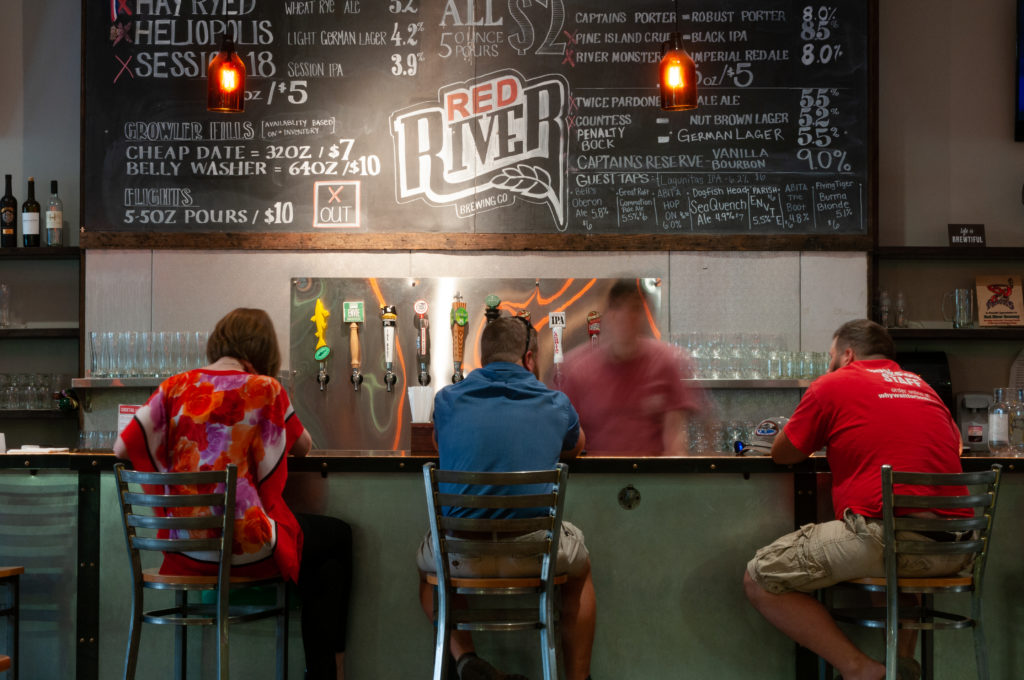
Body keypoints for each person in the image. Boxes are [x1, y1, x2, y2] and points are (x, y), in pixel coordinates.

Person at [114, 308, 352, 680]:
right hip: (243, 549)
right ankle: (329, 672)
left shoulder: (175, 387)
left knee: (325, 570)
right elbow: (303, 447)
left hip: (182, 549)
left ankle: (325, 672)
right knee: (338, 538)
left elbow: (121, 449)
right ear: (263, 350)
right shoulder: (265, 388)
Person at [742, 319, 972, 680]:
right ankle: (899, 669)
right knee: (895, 580)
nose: (828, 367)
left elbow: (783, 454)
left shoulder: (833, 384)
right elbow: (954, 445)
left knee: (759, 578)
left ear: (847, 355)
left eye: (831, 358)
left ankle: (859, 669)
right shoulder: (924, 388)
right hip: (952, 551)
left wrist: (817, 427)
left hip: (884, 540)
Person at [415, 315, 597, 680]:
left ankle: (466, 660)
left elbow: (438, 443)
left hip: (459, 555)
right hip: (534, 556)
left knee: (428, 573)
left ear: (482, 359)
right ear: (529, 358)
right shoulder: (555, 402)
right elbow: (577, 446)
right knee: (580, 571)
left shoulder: (447, 400)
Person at [560, 278, 702, 455]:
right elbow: (565, 437)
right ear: (608, 315)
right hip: (596, 479)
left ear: (644, 315)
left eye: (634, 309)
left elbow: (675, 437)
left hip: (651, 478)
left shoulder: (665, 363)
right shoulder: (577, 368)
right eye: (619, 308)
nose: (626, 317)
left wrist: (675, 480)